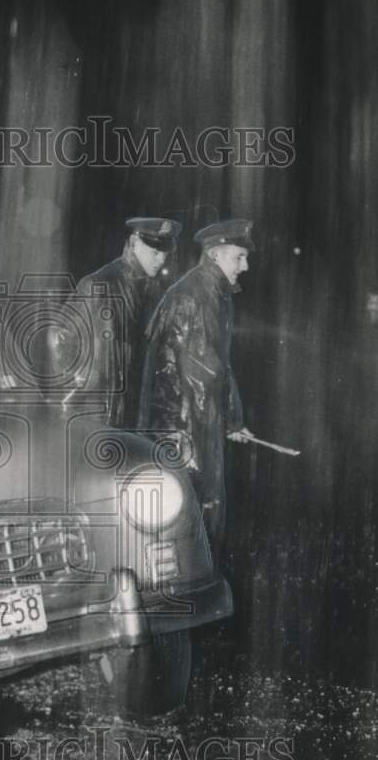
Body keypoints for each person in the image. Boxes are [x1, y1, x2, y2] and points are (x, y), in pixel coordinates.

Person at [138, 219, 254, 559]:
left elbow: (216, 364)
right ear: (216, 255)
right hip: (185, 427)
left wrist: (233, 420)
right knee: (194, 518)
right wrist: (228, 422)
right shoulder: (196, 296)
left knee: (195, 517)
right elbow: (203, 374)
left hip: (194, 421)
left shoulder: (211, 293)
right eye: (239, 257)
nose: (245, 267)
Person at [74, 217, 181, 425]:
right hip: (98, 419)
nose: (161, 260)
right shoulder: (98, 286)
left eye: (165, 254)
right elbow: (62, 342)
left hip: (136, 416)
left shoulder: (156, 294)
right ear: (133, 244)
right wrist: (87, 390)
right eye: (155, 252)